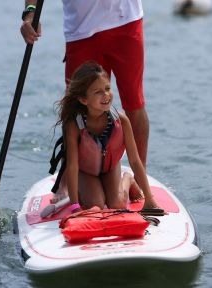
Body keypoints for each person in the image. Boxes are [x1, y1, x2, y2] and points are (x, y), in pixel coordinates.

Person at [21, 0, 149, 166]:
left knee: (134, 104)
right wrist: (31, 13)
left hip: (125, 22)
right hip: (81, 30)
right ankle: (70, 177)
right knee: (75, 109)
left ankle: (139, 177)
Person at [52, 62, 158, 212]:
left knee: (117, 205)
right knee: (96, 206)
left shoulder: (121, 121)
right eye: (98, 92)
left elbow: (134, 160)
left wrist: (149, 198)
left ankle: (128, 179)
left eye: (107, 88)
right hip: (86, 172)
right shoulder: (74, 125)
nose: (106, 95)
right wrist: (75, 206)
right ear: (83, 100)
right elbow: (72, 166)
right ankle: (93, 194)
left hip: (110, 169)